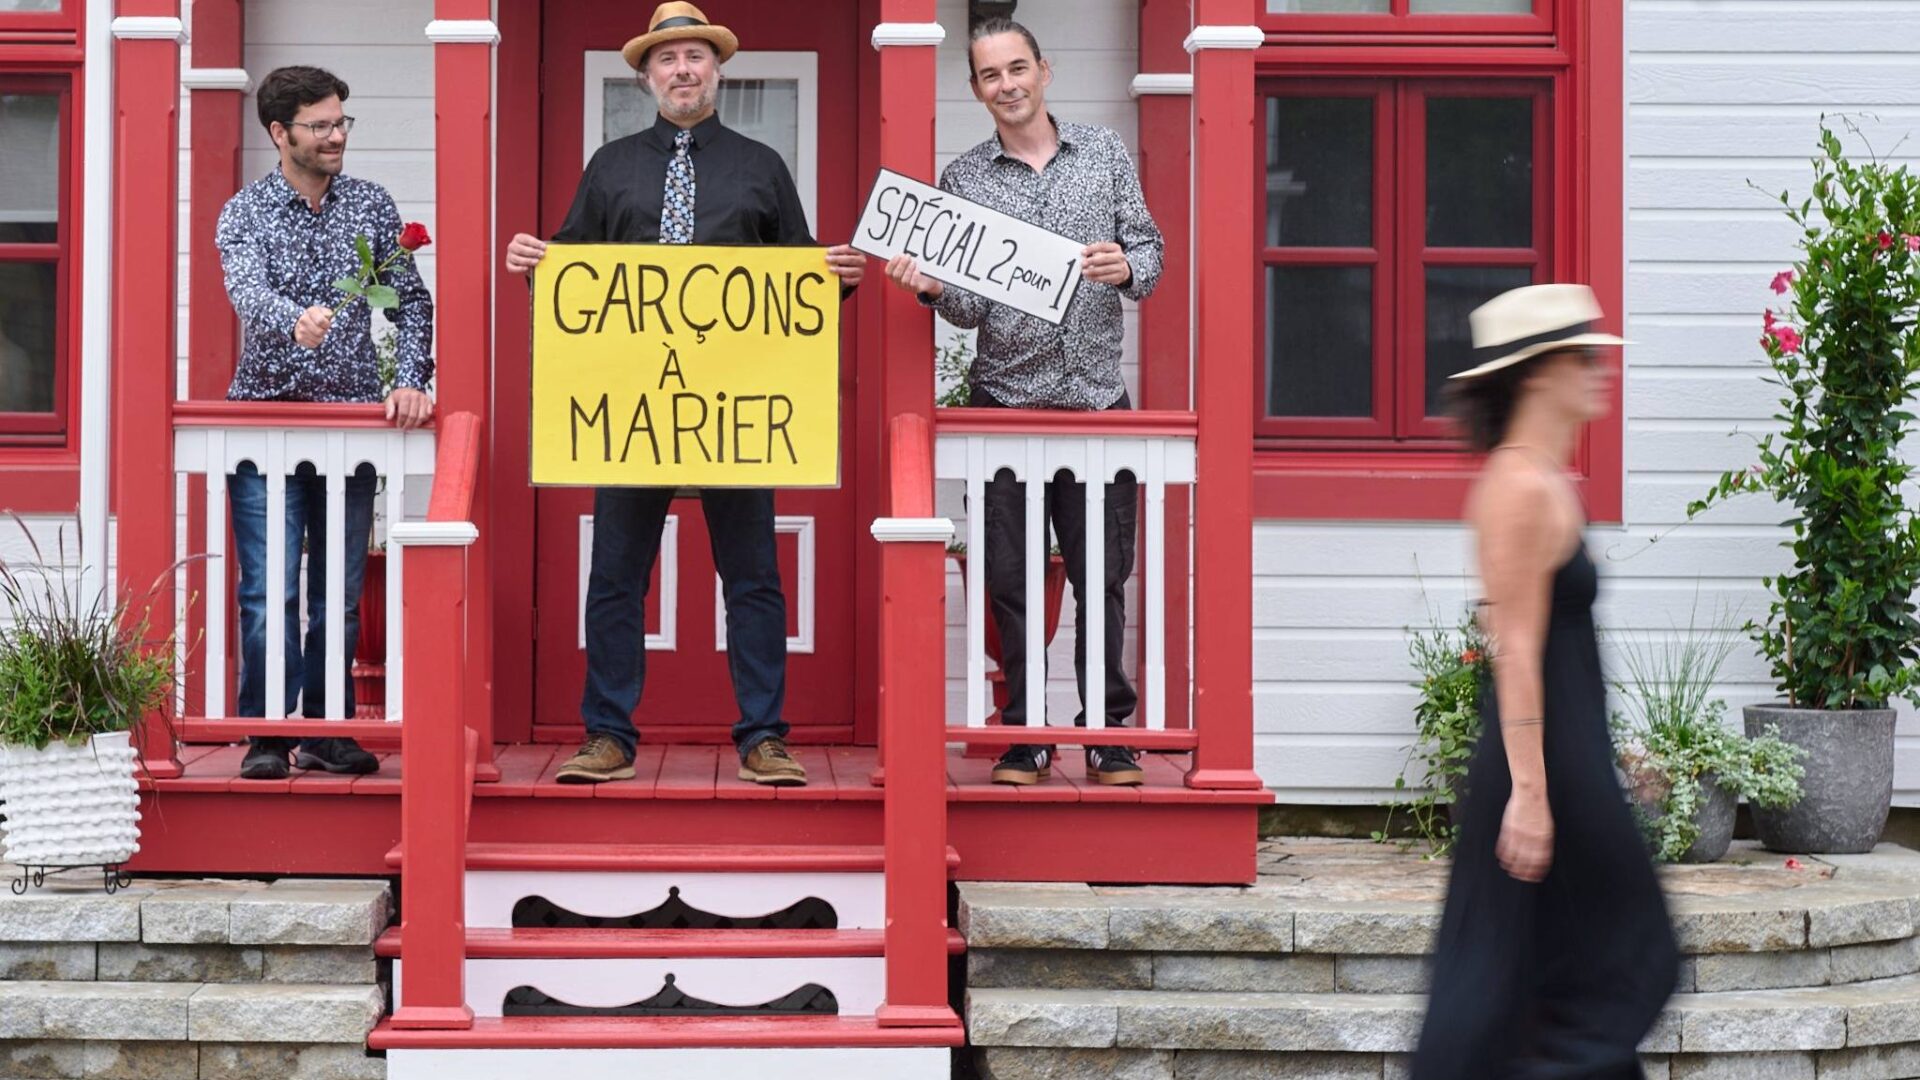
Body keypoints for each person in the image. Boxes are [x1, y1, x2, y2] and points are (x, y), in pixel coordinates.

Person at [505, 2, 866, 787]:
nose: (683, 71)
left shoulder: (762, 165)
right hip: (633, 408)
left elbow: (795, 283)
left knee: (754, 576)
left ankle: (764, 736)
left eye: (696, 57)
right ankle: (608, 735)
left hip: (736, 407)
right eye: (667, 60)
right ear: (646, 76)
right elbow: (576, 276)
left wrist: (829, 280)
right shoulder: (610, 165)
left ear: (717, 71)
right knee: (617, 575)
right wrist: (539, 260)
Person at [882, 17, 1163, 787]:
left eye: (1016, 69)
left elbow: (1151, 253)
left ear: (1044, 69)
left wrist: (1123, 265)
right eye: (989, 76)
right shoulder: (963, 180)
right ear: (976, 90)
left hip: (1099, 401)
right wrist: (937, 289)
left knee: (1102, 574)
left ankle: (1107, 734)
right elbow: (968, 309)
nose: (1006, 85)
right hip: (1004, 405)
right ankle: (1026, 736)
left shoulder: (1104, 154)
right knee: (1009, 576)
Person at [1412, 284, 1678, 1079]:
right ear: (1537, 374)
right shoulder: (1519, 488)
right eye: (1584, 356)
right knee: (1627, 953)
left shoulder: (1542, 477)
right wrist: (1530, 794)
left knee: (1560, 961)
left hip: (1568, 753)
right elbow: (1516, 649)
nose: (1601, 369)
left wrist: (1608, 752)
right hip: (1542, 767)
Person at [217, 65, 435, 780]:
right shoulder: (243, 213)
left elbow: (412, 301)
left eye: (342, 121)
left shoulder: (371, 207)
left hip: (348, 434)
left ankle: (328, 730)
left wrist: (408, 379)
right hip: (264, 431)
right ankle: (268, 736)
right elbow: (247, 291)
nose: (337, 135)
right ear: (280, 134)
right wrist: (293, 318)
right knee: (267, 590)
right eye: (320, 125)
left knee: (336, 595)